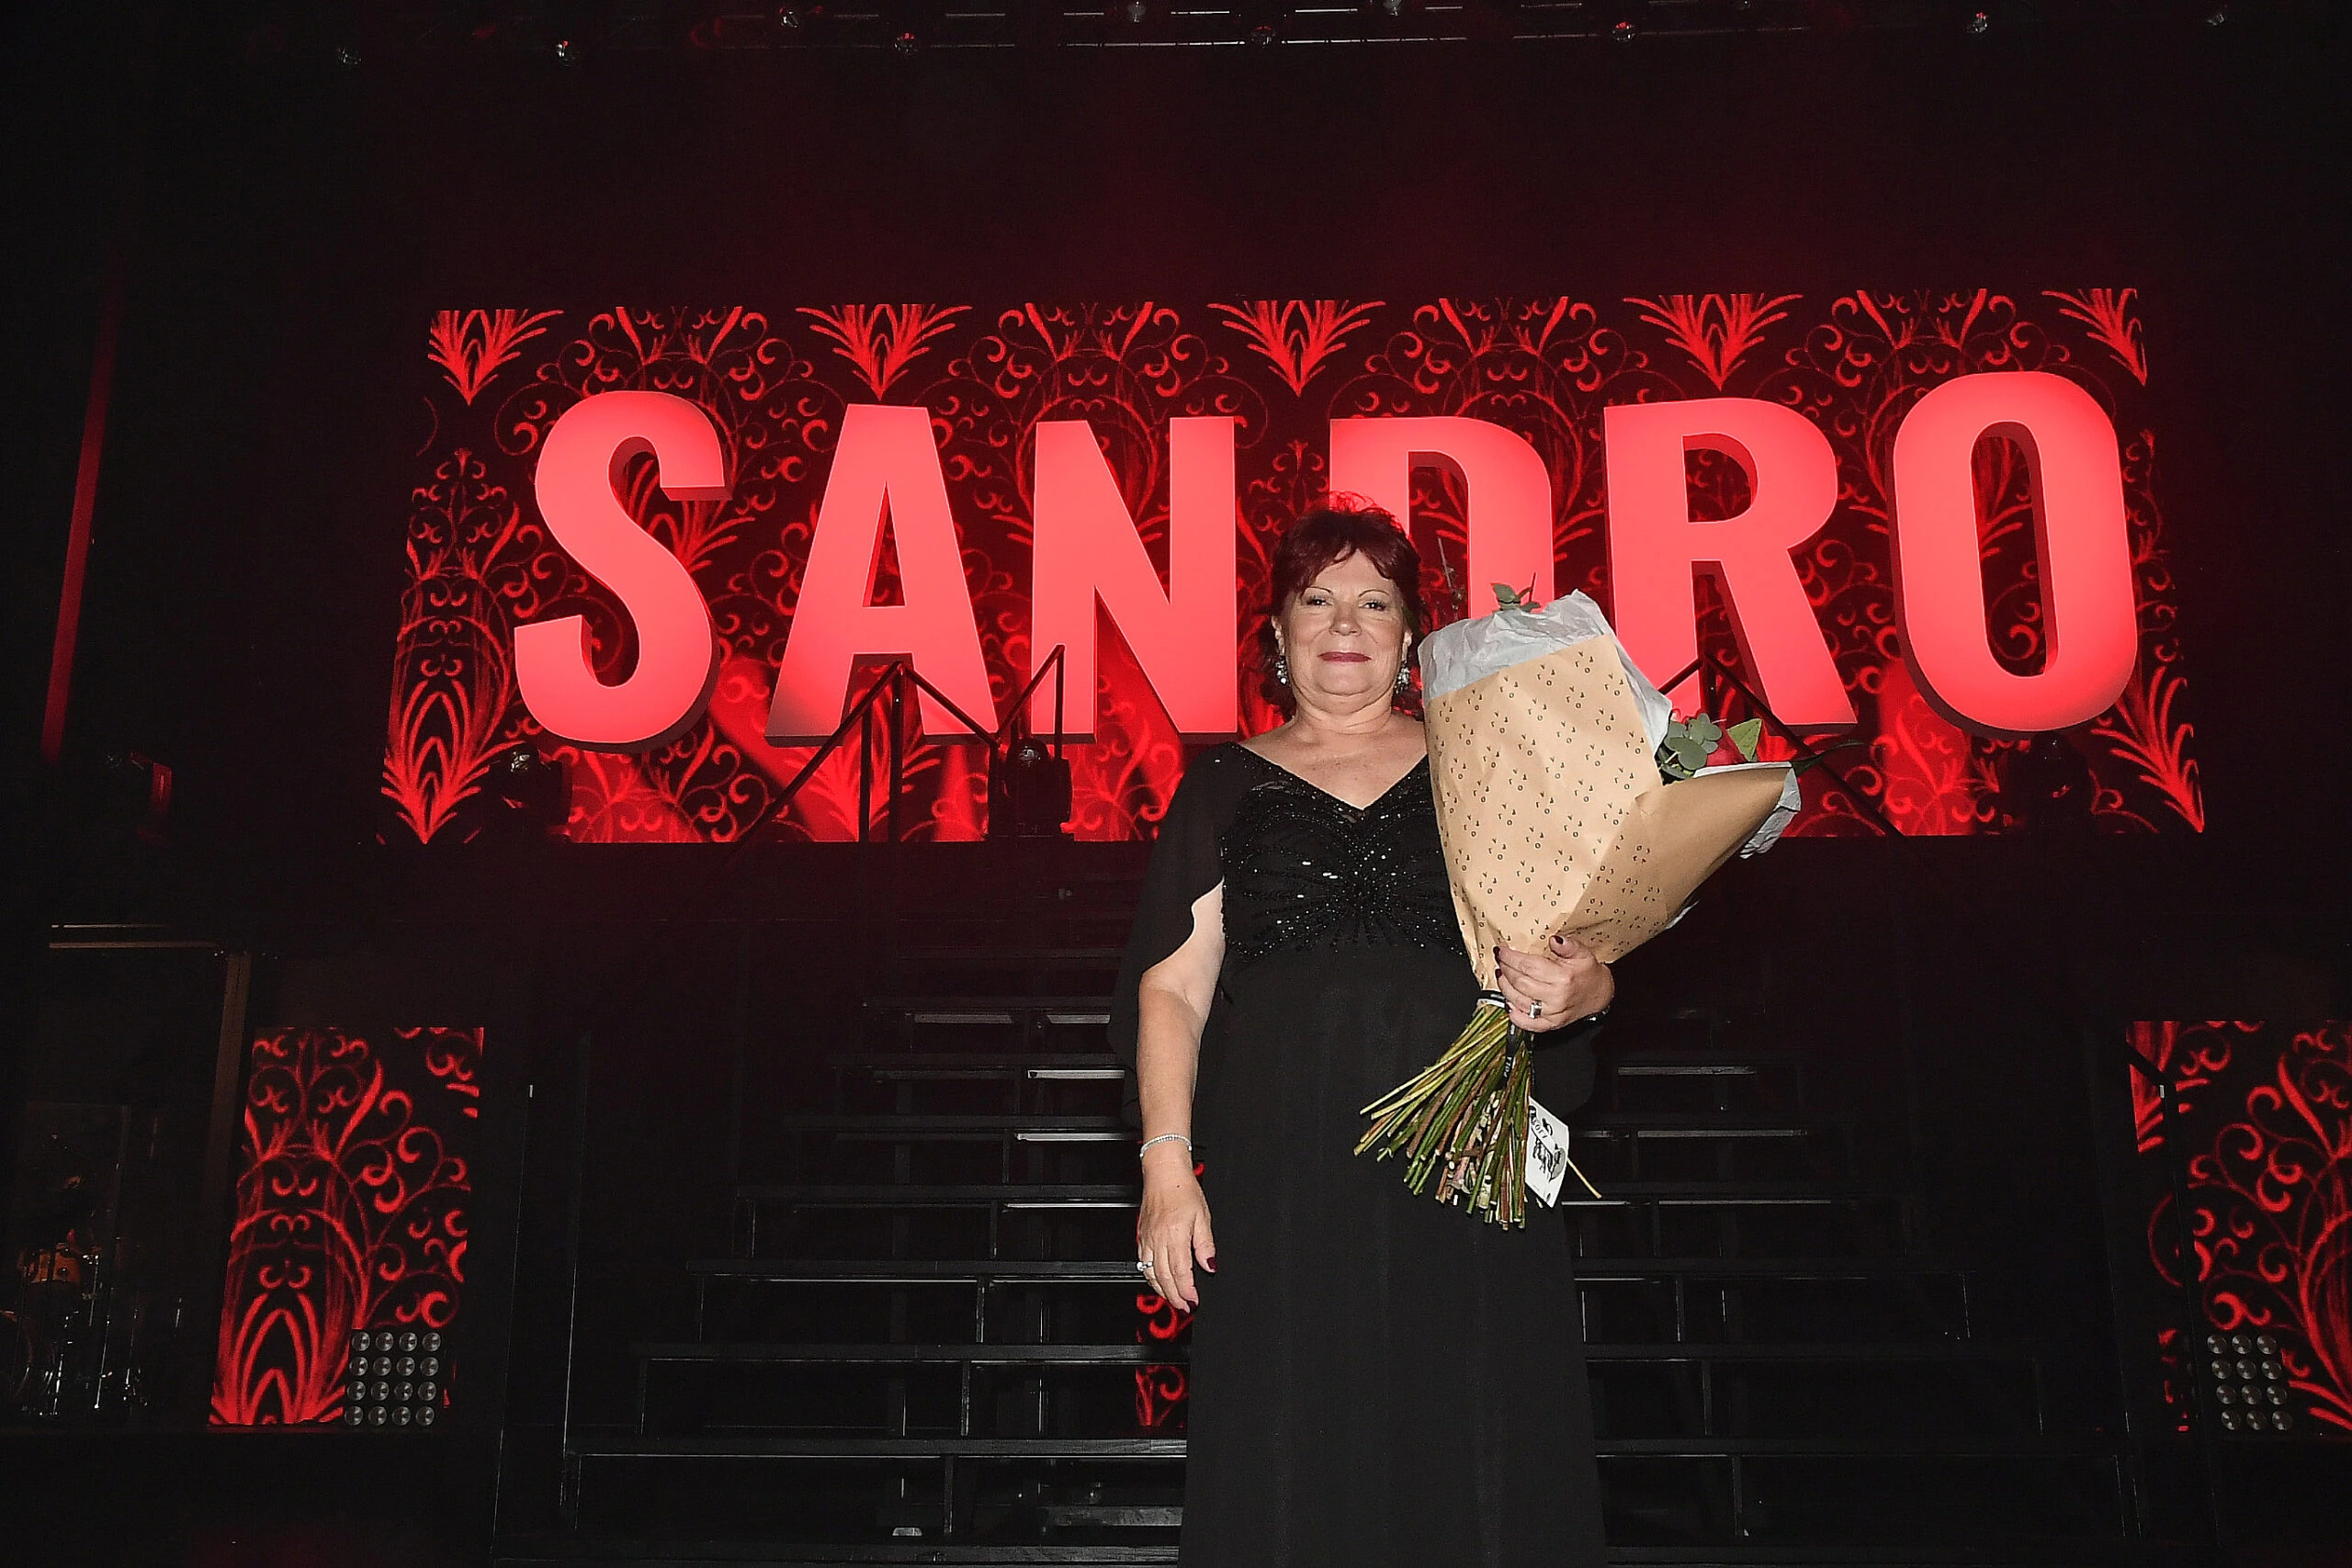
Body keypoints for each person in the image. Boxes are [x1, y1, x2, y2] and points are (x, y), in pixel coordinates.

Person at [1109, 499, 1614, 1567]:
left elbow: (1568, 941)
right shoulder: (1218, 785)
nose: (1345, 621)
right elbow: (1173, 991)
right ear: (1278, 637)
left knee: (1479, 1437)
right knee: (1292, 1443)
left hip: (1464, 1159)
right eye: (1317, 599)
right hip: (1282, 1173)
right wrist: (1164, 1164)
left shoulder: (1484, 770)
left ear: (1410, 636)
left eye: (1375, 600)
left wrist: (1590, 987)